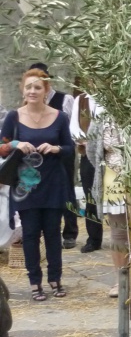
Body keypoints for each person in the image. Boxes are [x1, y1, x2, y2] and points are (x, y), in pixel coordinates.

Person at [0, 69, 74, 301]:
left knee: (53, 232)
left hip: (53, 182)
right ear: (23, 89)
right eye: (29, 86)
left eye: (37, 87)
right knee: (30, 234)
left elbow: (70, 148)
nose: (32, 91)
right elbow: (1, 146)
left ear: (46, 91)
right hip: (26, 186)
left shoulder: (60, 117)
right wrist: (16, 143)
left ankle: (55, 279)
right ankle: (35, 282)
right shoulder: (14, 116)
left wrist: (56, 148)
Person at [29, 63, 78, 250]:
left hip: (61, 152)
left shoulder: (64, 99)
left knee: (66, 191)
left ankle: (70, 233)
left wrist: (60, 147)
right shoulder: (30, 100)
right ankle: (48, 231)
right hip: (38, 156)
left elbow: (72, 129)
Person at [86, 114, 129, 298]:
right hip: (113, 178)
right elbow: (91, 149)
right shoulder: (102, 118)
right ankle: (122, 280)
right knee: (118, 233)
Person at [70, 92, 104, 253]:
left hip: (112, 155)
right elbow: (74, 127)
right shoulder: (82, 99)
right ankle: (94, 238)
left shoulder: (115, 96)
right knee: (90, 196)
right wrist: (84, 140)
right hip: (89, 154)